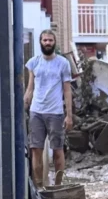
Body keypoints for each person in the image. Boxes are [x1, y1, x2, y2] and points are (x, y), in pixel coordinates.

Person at [24, 30, 73, 187]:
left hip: (56, 113)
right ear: (40, 42)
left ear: (54, 42)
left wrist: (69, 115)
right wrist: (24, 104)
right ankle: (39, 188)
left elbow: (67, 89)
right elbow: (30, 87)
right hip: (36, 112)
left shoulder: (63, 63)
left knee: (58, 151)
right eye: (45, 40)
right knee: (36, 151)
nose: (47, 43)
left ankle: (58, 186)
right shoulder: (34, 62)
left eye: (50, 40)